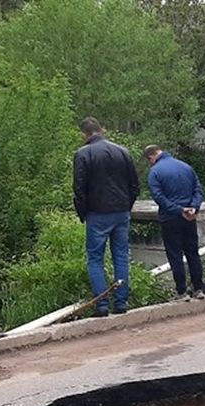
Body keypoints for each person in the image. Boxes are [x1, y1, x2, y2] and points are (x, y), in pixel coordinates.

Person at [73, 117, 139, 316]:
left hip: (97, 212)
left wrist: (83, 212)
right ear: (101, 130)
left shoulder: (83, 154)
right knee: (120, 256)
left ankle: (101, 305)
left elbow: (79, 188)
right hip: (121, 212)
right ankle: (121, 303)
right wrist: (127, 206)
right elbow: (134, 185)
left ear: (84, 134)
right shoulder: (123, 152)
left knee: (95, 258)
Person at [143, 145, 205, 301]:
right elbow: (198, 190)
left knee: (175, 255)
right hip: (190, 218)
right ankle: (198, 289)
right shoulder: (186, 167)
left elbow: (159, 197)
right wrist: (193, 208)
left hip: (170, 218)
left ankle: (181, 291)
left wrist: (179, 210)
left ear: (151, 157)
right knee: (193, 253)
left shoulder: (155, 172)